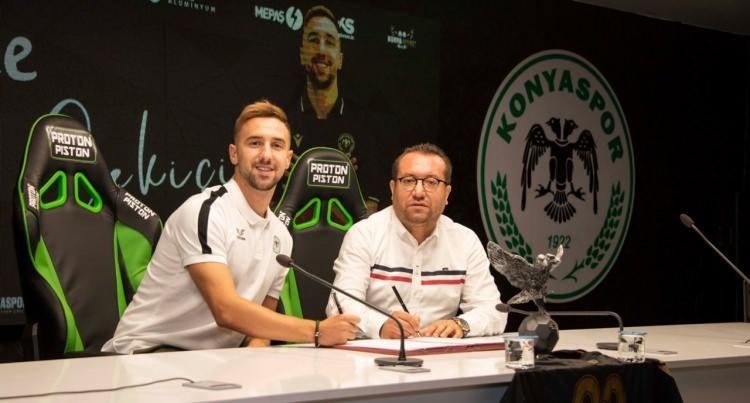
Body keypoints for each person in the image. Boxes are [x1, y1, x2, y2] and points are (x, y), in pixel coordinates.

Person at [103, 100, 359, 354]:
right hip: (144, 353)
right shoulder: (205, 212)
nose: (266, 155)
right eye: (255, 143)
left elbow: (261, 328)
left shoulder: (282, 237)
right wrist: (317, 331)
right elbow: (225, 309)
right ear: (234, 154)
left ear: (288, 159)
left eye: (277, 145)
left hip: (210, 361)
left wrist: (254, 359)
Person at [326, 143, 506, 339]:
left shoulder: (465, 241)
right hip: (373, 353)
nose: (419, 192)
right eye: (408, 181)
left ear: (447, 194)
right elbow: (340, 305)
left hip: (440, 354)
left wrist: (461, 324)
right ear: (393, 189)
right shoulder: (364, 234)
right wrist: (381, 326)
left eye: (431, 182)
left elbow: (494, 310)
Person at [284, 5, 400, 213]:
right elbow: (270, 204)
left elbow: (371, 208)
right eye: (313, 40)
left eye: (329, 42)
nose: (321, 51)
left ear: (340, 59)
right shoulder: (283, 122)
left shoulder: (364, 125)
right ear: (302, 55)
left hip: (349, 233)